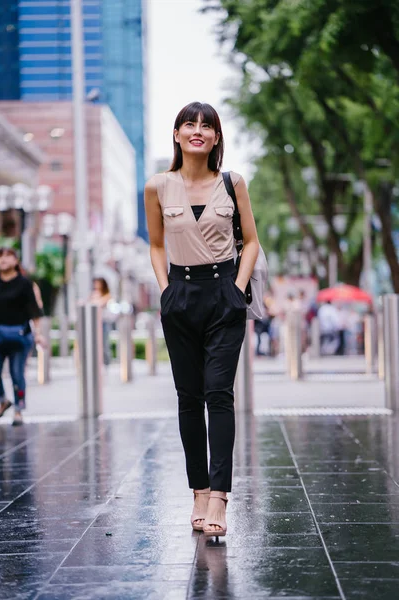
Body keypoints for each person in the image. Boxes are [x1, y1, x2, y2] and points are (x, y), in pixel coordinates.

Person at [145, 101, 259, 538]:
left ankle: (219, 497)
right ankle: (198, 489)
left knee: (219, 394)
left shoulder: (232, 183)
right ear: (176, 135)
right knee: (188, 397)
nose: (197, 130)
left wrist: (236, 288)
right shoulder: (158, 186)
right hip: (180, 296)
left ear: (215, 138)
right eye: (189, 124)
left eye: (206, 125)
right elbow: (156, 245)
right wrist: (165, 288)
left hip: (224, 294)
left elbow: (250, 241)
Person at [0, 248, 45, 426]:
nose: (3, 260)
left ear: (15, 261)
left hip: (20, 335)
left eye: (7, 256)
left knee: (17, 373)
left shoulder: (24, 284)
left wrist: (38, 334)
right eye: (0, 256)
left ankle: (18, 409)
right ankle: (3, 400)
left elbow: (34, 310)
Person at [90, 277, 112, 365]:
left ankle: (106, 363)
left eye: (98, 283)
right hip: (94, 323)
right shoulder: (93, 294)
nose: (96, 285)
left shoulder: (106, 295)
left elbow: (99, 304)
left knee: (105, 343)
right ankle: (97, 363)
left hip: (104, 322)